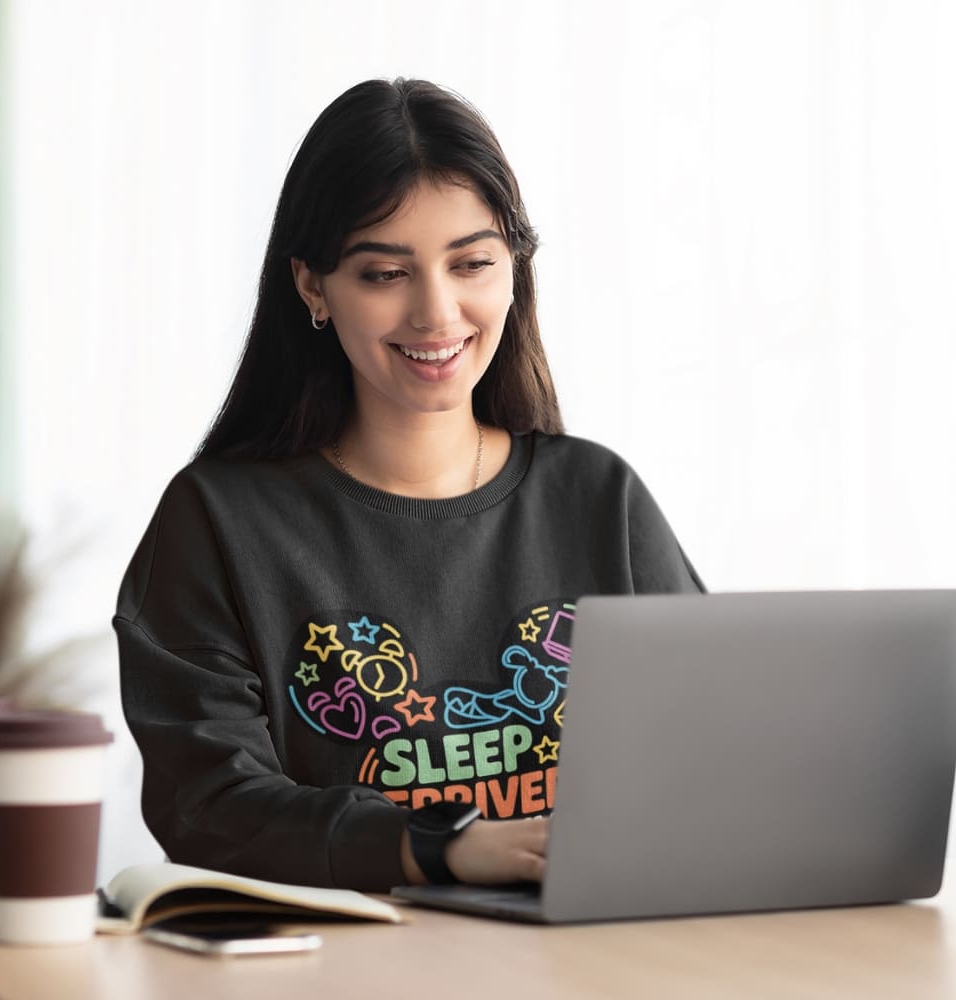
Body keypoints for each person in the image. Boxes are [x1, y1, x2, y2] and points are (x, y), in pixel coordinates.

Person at [114, 78, 703, 894]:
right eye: (386, 273)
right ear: (313, 286)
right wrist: (438, 848)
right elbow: (209, 807)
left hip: (583, 959)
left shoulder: (600, 498)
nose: (437, 312)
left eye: (471, 264)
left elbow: (711, 752)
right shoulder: (218, 521)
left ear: (514, 270)